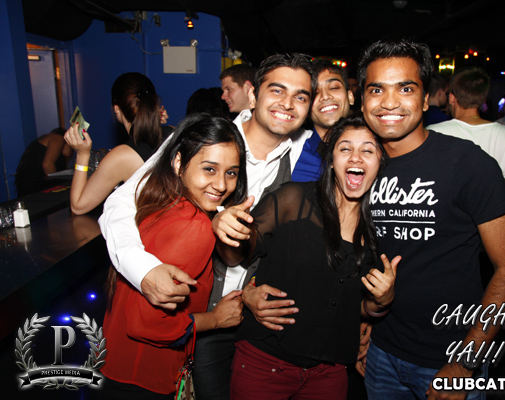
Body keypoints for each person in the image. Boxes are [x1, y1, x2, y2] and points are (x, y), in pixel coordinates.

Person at [99, 53, 316, 400]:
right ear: (253, 93)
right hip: (197, 318)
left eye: (301, 96)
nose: (287, 104)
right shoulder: (202, 138)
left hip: (252, 319)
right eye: (277, 90)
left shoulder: (307, 153)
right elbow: (120, 203)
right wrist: (144, 270)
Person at [357, 39, 505, 400]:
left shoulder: (468, 163)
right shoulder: (362, 165)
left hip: (449, 358)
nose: (389, 102)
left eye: (405, 88)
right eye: (376, 89)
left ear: (425, 99)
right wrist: (366, 321)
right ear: (362, 100)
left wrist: (465, 363)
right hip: (382, 351)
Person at [215, 115, 400, 400]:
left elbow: (356, 310)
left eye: (368, 150)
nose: (356, 157)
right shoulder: (294, 200)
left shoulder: (376, 231)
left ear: (380, 163)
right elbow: (237, 256)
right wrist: (227, 230)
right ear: (332, 160)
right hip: (266, 363)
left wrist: (383, 301)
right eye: (345, 148)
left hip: (328, 373)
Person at [99, 113, 247, 398]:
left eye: (231, 173)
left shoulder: (159, 199)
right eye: (209, 169)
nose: (221, 185)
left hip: (116, 365)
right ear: (179, 162)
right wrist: (216, 319)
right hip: (142, 378)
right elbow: (149, 324)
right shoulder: (195, 226)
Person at [427, 68, 505, 218]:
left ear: (452, 98)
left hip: (444, 223)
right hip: (490, 220)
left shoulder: (432, 132)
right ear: (483, 99)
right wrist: (496, 227)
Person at [64, 72, 166, 215]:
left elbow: (78, 206)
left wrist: (82, 155)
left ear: (116, 108)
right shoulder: (174, 133)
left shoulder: (122, 156)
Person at [292, 62, 354, 182]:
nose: (325, 96)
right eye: (315, 93)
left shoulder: (376, 150)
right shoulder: (290, 154)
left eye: (334, 87)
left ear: (350, 97)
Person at [15, 127, 72, 196]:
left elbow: (66, 153)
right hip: (34, 188)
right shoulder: (57, 138)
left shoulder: (53, 146)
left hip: (31, 187)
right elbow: (47, 166)